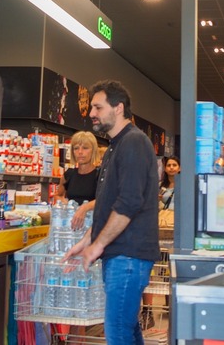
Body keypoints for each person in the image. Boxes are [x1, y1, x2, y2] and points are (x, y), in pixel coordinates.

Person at [64, 80, 159, 345]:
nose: (91, 113)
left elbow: (129, 203)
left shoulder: (134, 143)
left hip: (129, 256)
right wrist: (86, 241)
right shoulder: (116, 146)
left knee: (117, 331)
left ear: (118, 108)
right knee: (126, 330)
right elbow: (108, 205)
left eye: (98, 107)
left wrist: (98, 246)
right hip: (120, 255)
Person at [140, 155, 180, 329]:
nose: (171, 168)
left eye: (174, 165)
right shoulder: (160, 187)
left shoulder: (184, 186)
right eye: (168, 165)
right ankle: (148, 312)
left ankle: (172, 308)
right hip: (159, 231)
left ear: (179, 167)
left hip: (175, 232)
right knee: (156, 271)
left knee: (171, 272)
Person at [53, 131, 101, 230]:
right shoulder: (69, 174)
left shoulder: (100, 175)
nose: (80, 152)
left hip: (92, 227)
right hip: (71, 226)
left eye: (85, 148)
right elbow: (58, 195)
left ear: (93, 150)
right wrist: (63, 202)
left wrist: (85, 208)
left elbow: (105, 199)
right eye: (76, 148)